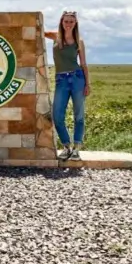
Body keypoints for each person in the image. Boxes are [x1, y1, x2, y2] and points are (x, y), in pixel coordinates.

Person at [43, 11, 91, 160]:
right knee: (57, 116)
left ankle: (76, 148)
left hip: (77, 78)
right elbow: (38, 30)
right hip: (61, 80)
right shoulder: (55, 36)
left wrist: (87, 84)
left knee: (79, 116)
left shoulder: (79, 41)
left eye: (71, 21)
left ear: (75, 23)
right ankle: (66, 146)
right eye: (66, 21)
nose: (68, 24)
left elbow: (83, 64)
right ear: (61, 22)